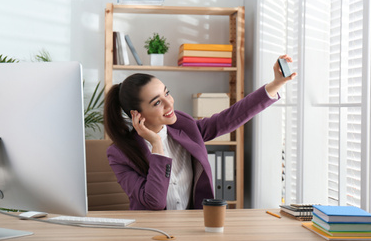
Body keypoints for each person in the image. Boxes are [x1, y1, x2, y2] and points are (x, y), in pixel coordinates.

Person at [104, 54, 296, 210]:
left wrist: (276, 84)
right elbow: (154, 202)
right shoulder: (119, 154)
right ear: (136, 114)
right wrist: (156, 144)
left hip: (194, 228)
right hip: (151, 232)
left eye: (167, 93)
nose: (169, 103)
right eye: (157, 102)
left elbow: (231, 117)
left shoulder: (184, 127)